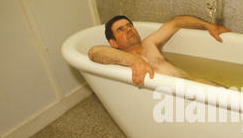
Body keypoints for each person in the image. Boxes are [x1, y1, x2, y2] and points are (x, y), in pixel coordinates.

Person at [88, 15, 231, 86]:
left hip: (196, 83)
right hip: (175, 99)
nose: (128, 30)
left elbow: (176, 23)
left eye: (129, 25)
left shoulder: (149, 43)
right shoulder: (121, 60)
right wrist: (135, 60)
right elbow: (93, 52)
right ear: (113, 43)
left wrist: (207, 26)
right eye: (121, 30)